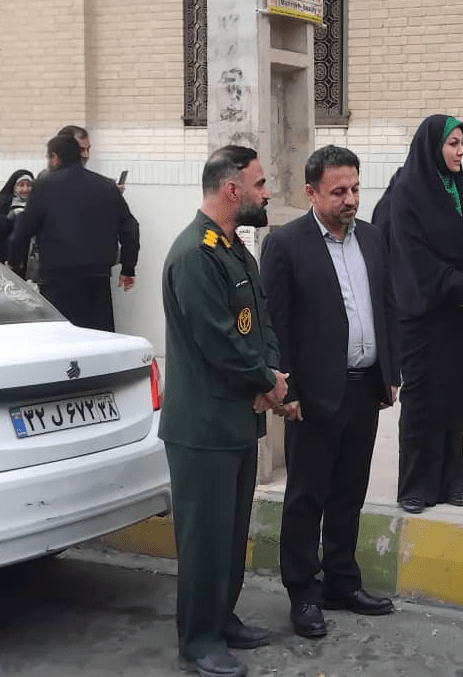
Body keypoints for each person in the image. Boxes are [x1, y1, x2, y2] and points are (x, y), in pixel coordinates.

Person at [260, 145, 399, 639]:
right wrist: (287, 389)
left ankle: (342, 581)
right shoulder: (286, 244)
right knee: (306, 496)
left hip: (365, 390)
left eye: (355, 188)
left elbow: (387, 306)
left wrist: (390, 372)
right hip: (313, 396)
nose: (351, 199)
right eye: (339, 191)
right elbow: (275, 323)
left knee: (349, 493)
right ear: (311, 192)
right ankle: (303, 592)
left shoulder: (374, 239)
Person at [160, 144, 288, 677]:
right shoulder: (195, 255)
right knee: (204, 539)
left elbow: (260, 323)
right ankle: (199, 639)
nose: (266, 193)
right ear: (233, 189)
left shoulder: (234, 250)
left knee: (231, 533)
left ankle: (222, 618)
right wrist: (266, 382)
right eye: (259, 184)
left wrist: (271, 373)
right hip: (202, 426)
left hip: (235, 417)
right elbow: (217, 341)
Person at [377, 114, 463, 514]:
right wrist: (462, 287)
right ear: (432, 146)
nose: (460, 152)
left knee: (457, 394)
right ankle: (416, 485)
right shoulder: (407, 193)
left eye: (462, 143)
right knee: (423, 400)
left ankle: (450, 481)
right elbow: (413, 255)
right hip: (424, 314)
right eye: (453, 144)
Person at [7, 134, 139, 331]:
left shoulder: (44, 186)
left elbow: (23, 230)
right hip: (98, 279)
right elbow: (130, 227)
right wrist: (128, 268)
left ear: (55, 157)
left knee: (63, 338)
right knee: (98, 337)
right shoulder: (106, 186)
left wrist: (14, 262)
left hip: (57, 279)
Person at [0, 169, 33, 263]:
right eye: (21, 185)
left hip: (30, 256)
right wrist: (10, 217)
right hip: (7, 255)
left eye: (29, 185)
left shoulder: (37, 202)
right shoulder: (5, 201)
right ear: (14, 186)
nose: (25, 189)